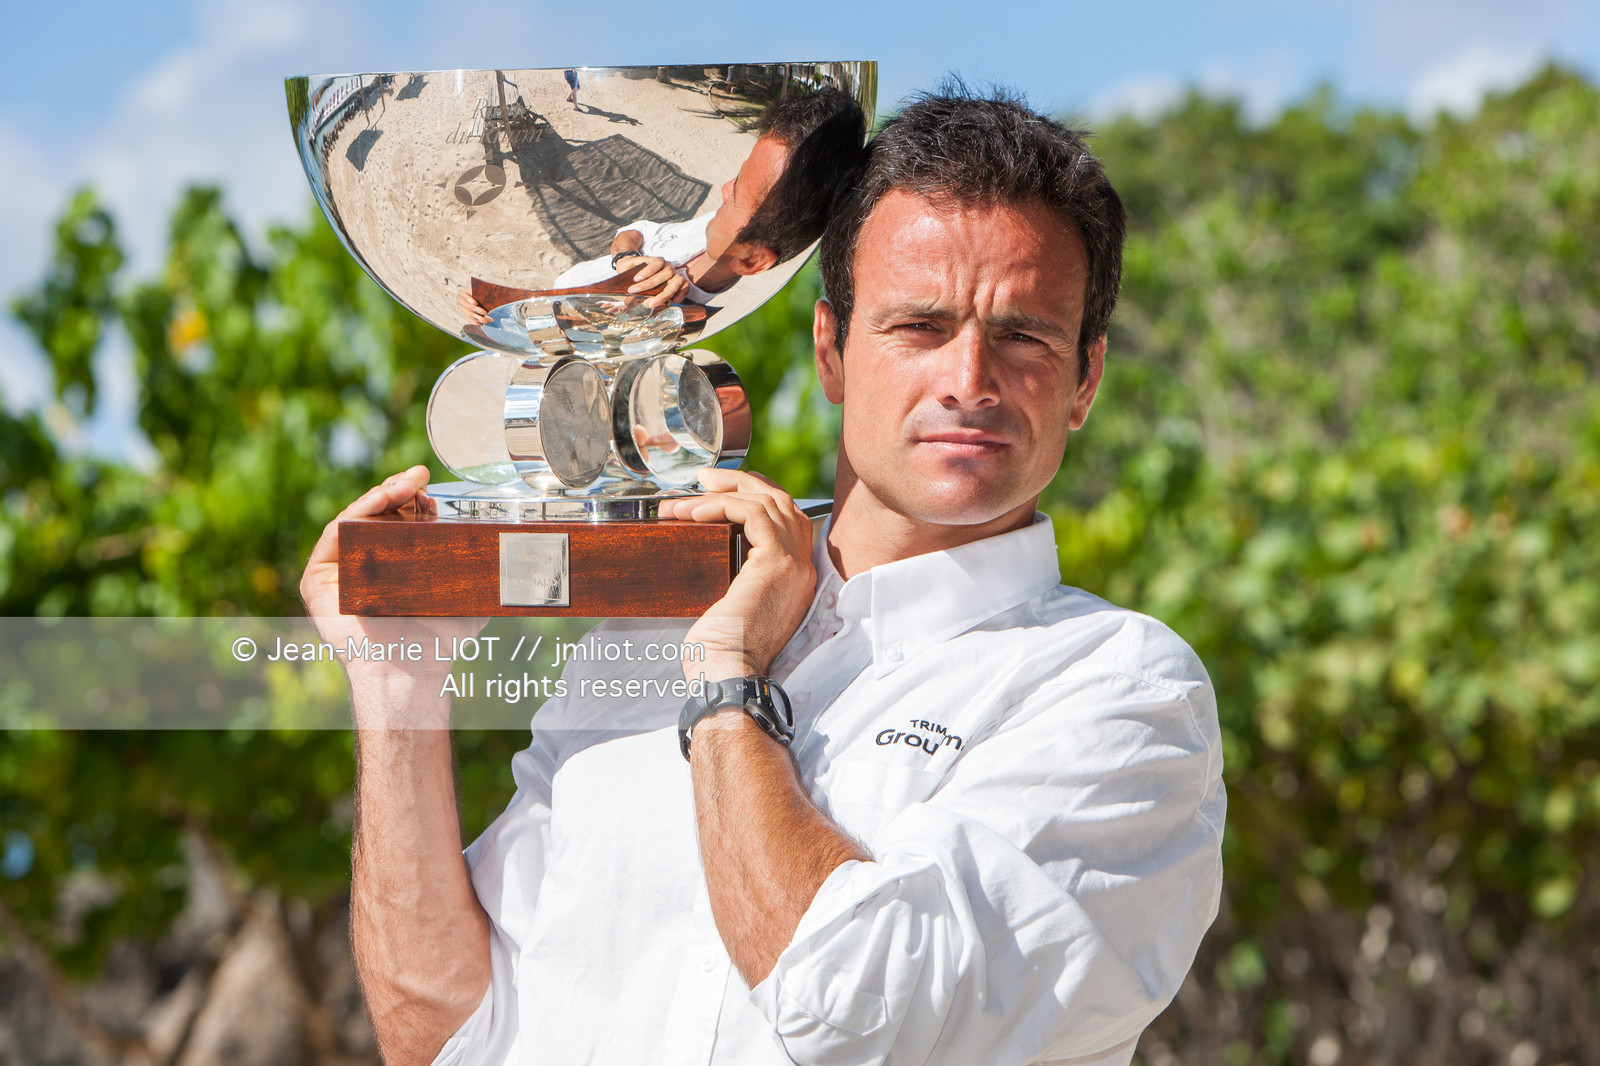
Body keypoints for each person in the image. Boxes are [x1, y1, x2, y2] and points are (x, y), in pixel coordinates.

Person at [304, 86, 1225, 1066]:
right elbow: (440, 1033)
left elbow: (858, 1011)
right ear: (831, 350)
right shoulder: (650, 629)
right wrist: (396, 683)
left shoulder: (1118, 690)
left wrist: (728, 684)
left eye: (1024, 336)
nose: (967, 379)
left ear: (1085, 380)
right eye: (918, 326)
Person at [458, 86, 867, 320]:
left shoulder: (678, 310)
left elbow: (564, 324)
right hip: (542, 291)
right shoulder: (712, 233)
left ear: (751, 261)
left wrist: (501, 308)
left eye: (738, 194)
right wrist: (627, 260)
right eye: (738, 178)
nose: (724, 190)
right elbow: (635, 230)